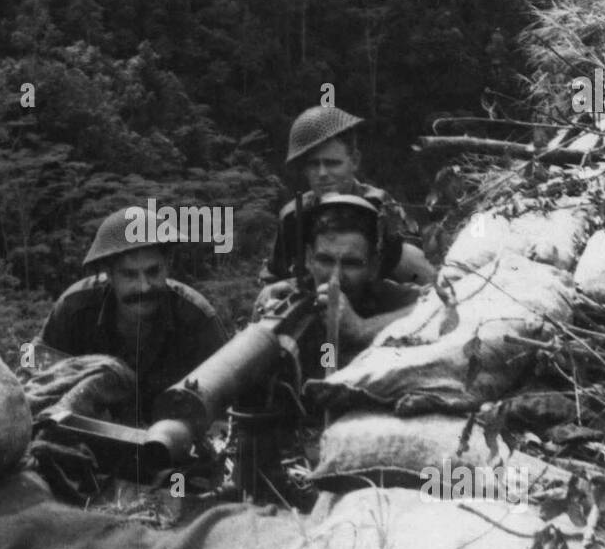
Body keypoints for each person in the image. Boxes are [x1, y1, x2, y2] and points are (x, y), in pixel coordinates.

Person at [36, 206, 226, 424]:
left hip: (173, 443)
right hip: (88, 437)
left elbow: (229, 393)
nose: (144, 287)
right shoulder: (74, 306)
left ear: (167, 266)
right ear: (109, 274)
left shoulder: (196, 316)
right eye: (129, 275)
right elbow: (29, 357)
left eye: (153, 272)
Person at [264, 103, 435, 286]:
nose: (322, 173)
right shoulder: (293, 215)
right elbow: (274, 275)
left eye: (332, 163)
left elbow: (415, 268)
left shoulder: (378, 206)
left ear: (354, 162)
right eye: (314, 164)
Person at [257, 194, 422, 371]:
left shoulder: (388, 297)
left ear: (373, 267)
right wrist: (258, 330)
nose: (335, 277)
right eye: (325, 260)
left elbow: (442, 307)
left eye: (351, 263)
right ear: (308, 259)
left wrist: (361, 329)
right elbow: (327, 360)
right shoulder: (291, 297)